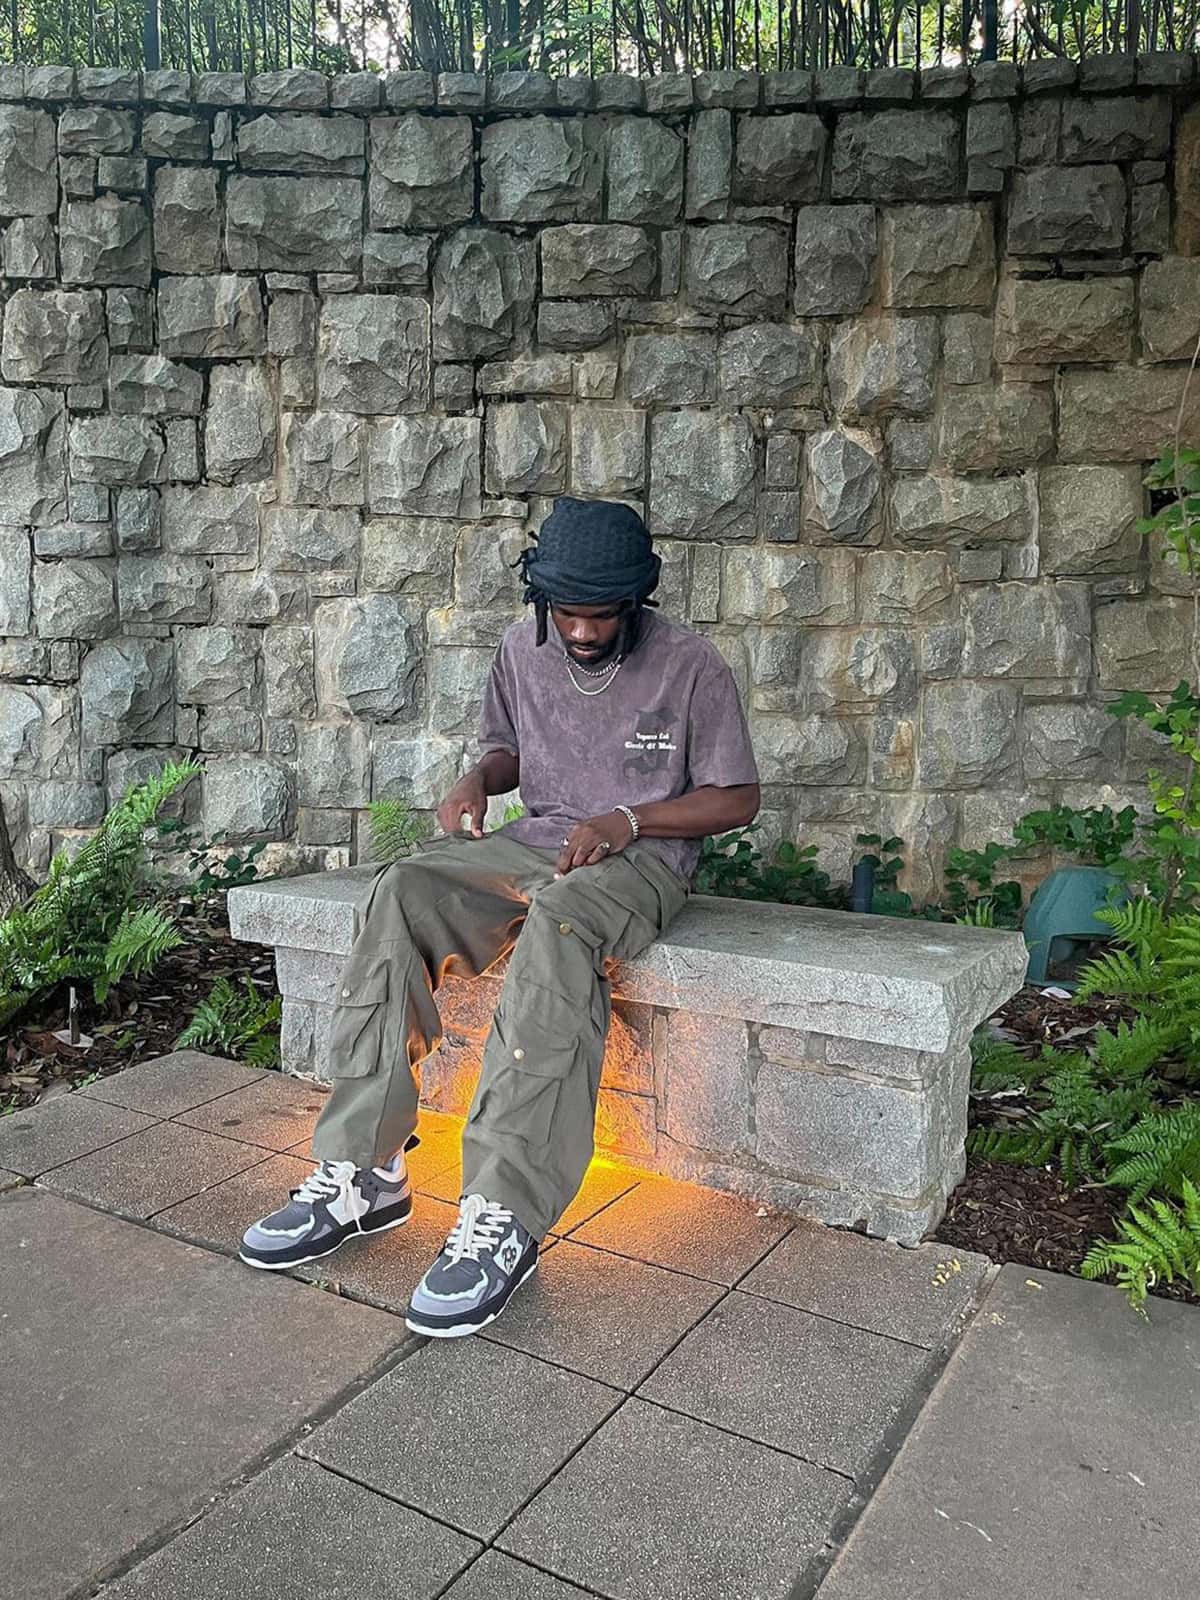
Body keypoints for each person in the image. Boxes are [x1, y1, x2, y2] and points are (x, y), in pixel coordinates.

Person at [239, 496, 761, 1337]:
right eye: (568, 614)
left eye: (602, 616)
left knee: (557, 922)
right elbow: (508, 749)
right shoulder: (523, 646)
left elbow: (738, 798)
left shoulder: (691, 665)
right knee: (402, 889)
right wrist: (478, 780)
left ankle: (503, 1210)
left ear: (637, 599)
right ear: (541, 600)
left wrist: (629, 820)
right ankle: (362, 1172)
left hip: (642, 860)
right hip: (539, 839)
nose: (584, 633)